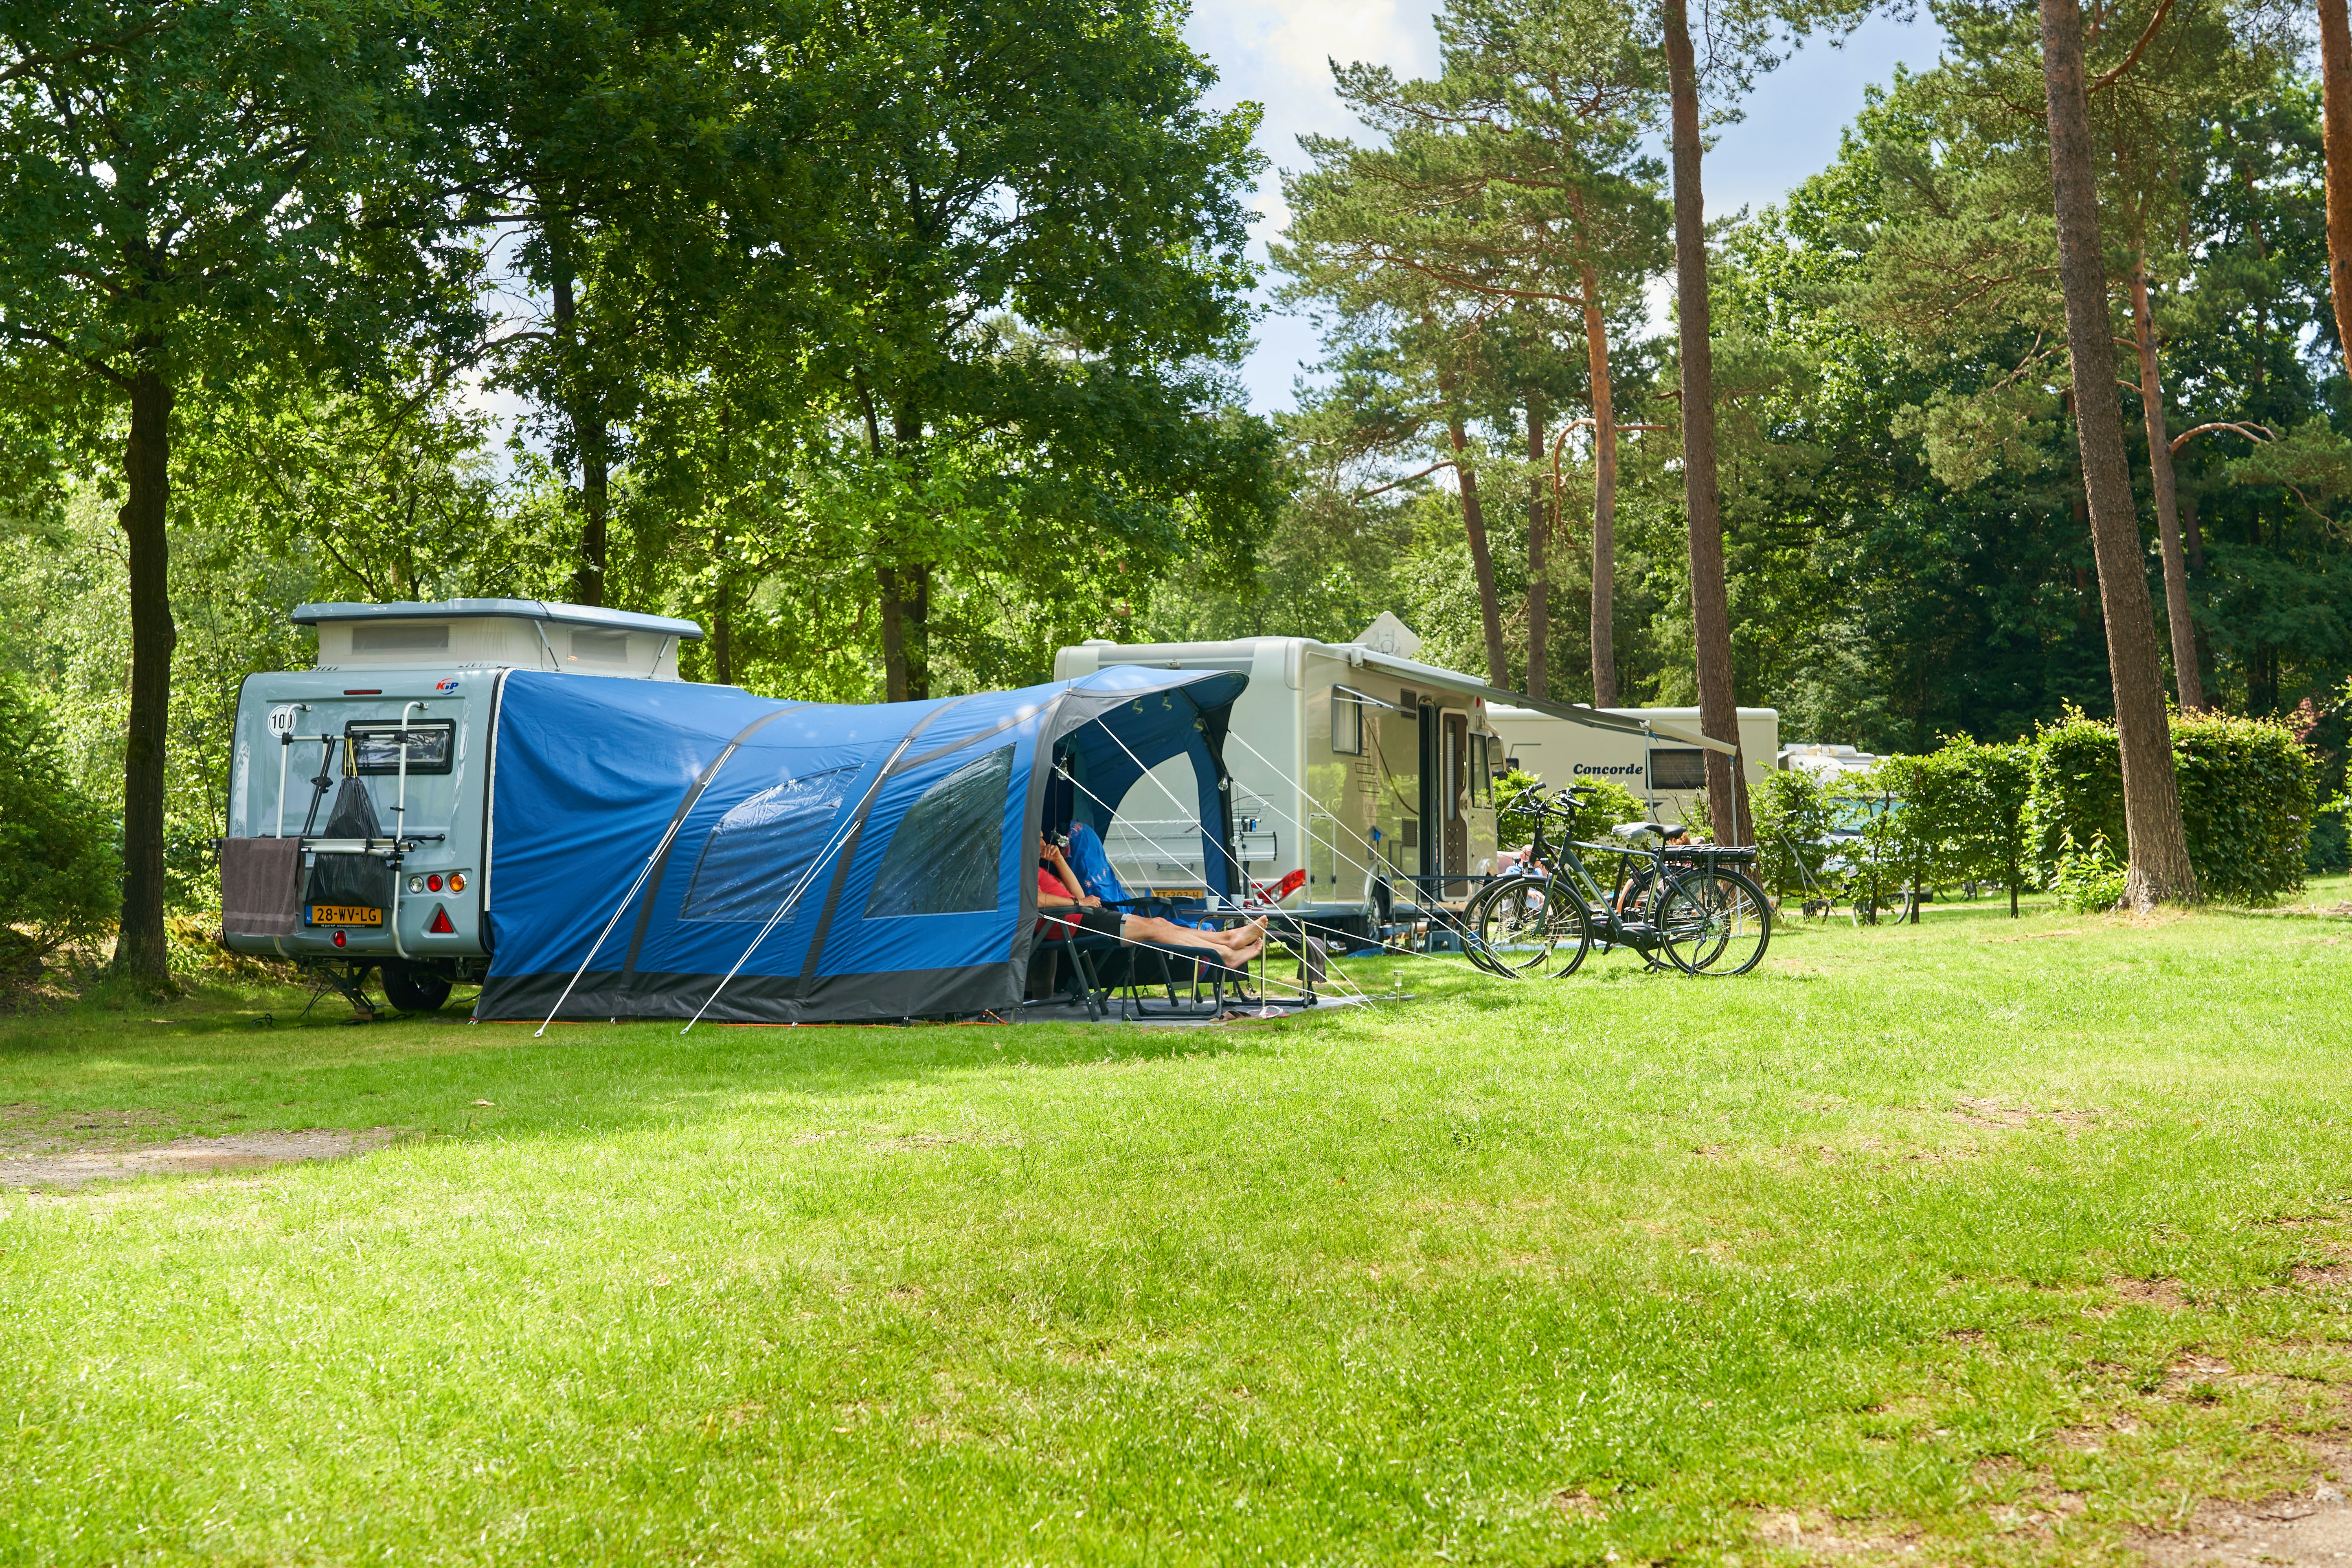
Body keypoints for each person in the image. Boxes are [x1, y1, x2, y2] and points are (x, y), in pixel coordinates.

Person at [1036, 836, 1267, 965]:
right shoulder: (1020, 872)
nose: (1044, 842)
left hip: (1084, 917)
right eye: (1038, 838)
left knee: (1161, 924)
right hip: (1075, 926)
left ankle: (1227, 939)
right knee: (1156, 929)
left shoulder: (1039, 869)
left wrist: (1058, 860)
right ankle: (1225, 954)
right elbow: (1036, 900)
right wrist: (1079, 905)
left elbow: (1080, 896)